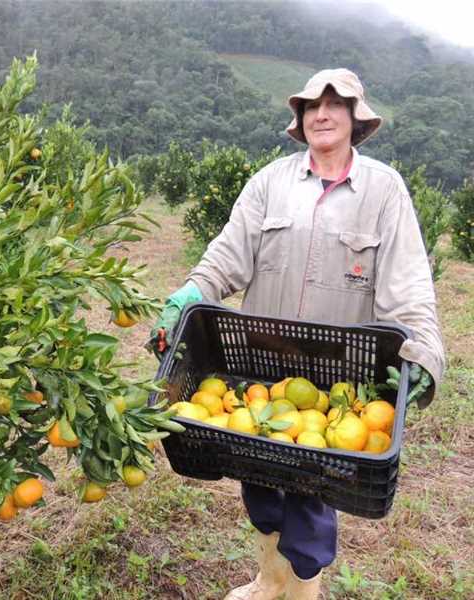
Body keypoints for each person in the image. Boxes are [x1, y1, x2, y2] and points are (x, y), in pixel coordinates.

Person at [152, 68, 445, 600]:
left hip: (336, 379)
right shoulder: (271, 182)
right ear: (300, 119)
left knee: (312, 494)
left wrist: (422, 354)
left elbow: (409, 287)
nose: (322, 114)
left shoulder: (383, 190)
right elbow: (226, 256)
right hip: (261, 370)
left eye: (336, 105)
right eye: (312, 106)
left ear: (356, 119)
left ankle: (304, 592)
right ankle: (269, 580)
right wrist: (188, 297)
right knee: (258, 475)